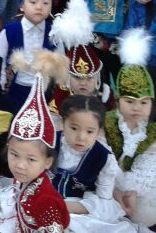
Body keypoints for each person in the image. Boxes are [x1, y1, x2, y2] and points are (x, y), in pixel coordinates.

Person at [0, 72, 70, 232]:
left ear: (47, 162)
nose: (20, 165)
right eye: (14, 155)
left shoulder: (45, 201)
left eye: (31, 159)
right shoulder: (23, 179)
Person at [104, 28, 156, 230]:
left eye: (144, 102)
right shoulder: (107, 124)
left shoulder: (151, 131)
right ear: (118, 101)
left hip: (142, 196)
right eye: (130, 101)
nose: (137, 108)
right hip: (110, 190)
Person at [51, 95, 128, 231]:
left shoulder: (103, 158)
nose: (81, 137)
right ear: (62, 123)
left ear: (98, 131)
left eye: (90, 131)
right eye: (74, 128)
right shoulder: (49, 143)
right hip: (43, 199)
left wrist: (66, 207)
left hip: (79, 209)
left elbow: (104, 200)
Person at [0, 0, 63, 111]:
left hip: (44, 95)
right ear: (22, 6)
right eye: (33, 2)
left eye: (46, 3)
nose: (39, 7)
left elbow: (60, 67)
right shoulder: (9, 32)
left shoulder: (54, 34)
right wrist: (0, 92)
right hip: (13, 93)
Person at [49, 0, 115, 119]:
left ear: (98, 78)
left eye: (89, 78)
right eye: (77, 77)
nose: (83, 83)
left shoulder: (104, 94)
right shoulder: (62, 92)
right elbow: (54, 121)